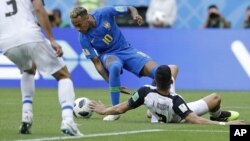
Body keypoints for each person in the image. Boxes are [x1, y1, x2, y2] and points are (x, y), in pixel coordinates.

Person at [70, 6, 178, 121]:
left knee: (160, 73)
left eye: (78, 24)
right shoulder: (83, 38)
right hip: (108, 55)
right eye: (75, 25)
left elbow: (130, 8)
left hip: (127, 50)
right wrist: (110, 81)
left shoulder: (104, 13)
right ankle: (115, 111)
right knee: (115, 66)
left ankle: (156, 105)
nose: (77, 29)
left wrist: (135, 15)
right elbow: (97, 63)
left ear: (86, 17)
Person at [0, 0, 82, 136]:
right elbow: (38, 8)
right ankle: (68, 120)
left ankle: (26, 116)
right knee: (63, 75)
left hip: (6, 42)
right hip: (29, 34)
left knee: (29, 69)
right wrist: (52, 39)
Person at [90, 65, 245, 125]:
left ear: (155, 81)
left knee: (173, 67)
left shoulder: (144, 91)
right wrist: (227, 125)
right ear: (171, 83)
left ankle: (151, 112)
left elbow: (121, 108)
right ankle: (217, 116)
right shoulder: (177, 101)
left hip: (157, 111)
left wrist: (104, 110)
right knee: (215, 98)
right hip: (177, 116)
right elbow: (195, 120)